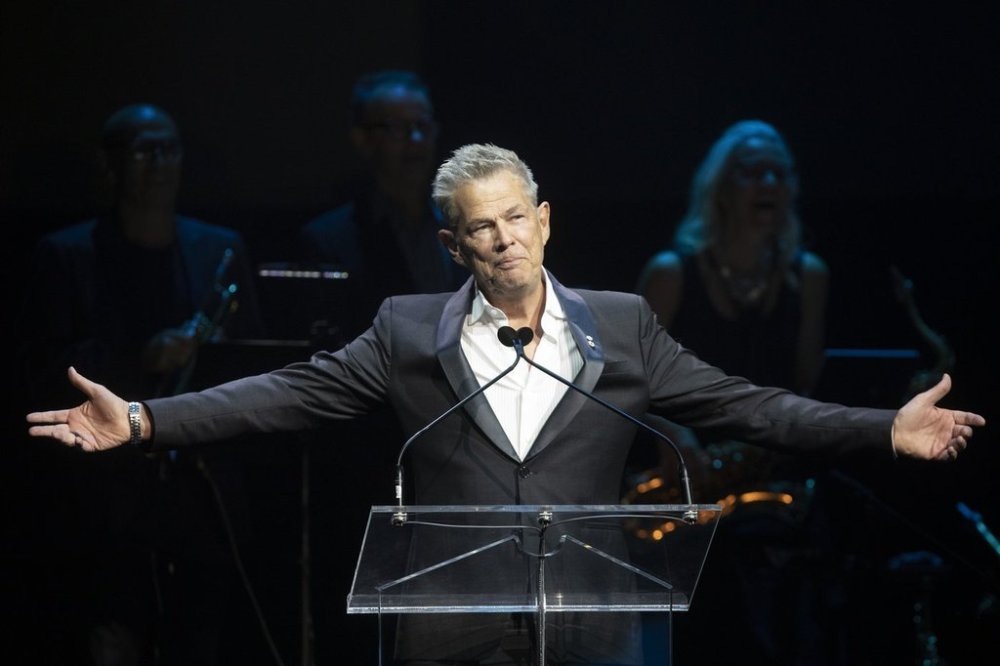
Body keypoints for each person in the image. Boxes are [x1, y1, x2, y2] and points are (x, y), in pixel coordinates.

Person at [27, 143, 984, 666]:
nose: (503, 241)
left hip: (601, 620)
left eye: (516, 218)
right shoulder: (406, 333)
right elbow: (288, 395)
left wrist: (883, 430)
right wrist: (148, 420)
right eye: (480, 229)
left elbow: (750, 406)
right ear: (455, 245)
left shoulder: (622, 323)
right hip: (449, 621)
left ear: (545, 219)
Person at [18, 103, 264, 665]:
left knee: (198, 635)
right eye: (143, 151)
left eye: (169, 149)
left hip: (200, 493)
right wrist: (140, 357)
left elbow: (251, 359)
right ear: (111, 166)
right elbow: (42, 369)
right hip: (107, 500)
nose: (159, 163)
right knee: (111, 632)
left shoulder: (216, 248)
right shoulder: (67, 254)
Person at [634, 119, 839, 664]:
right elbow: (621, 374)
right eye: (752, 172)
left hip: (771, 481)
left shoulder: (809, 277)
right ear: (722, 187)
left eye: (780, 173)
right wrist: (677, 440)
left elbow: (804, 386)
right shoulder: (673, 272)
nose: (768, 183)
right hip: (692, 480)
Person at [296, 69, 466, 339]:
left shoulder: (461, 222)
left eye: (423, 126)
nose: (416, 141)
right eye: (397, 128)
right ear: (362, 139)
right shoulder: (330, 239)